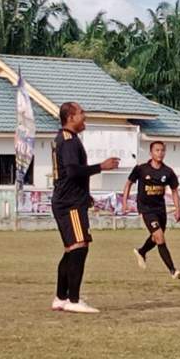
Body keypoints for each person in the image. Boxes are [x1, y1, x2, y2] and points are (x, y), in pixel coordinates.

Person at [50, 102, 120, 314]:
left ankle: (61, 297)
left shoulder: (63, 138)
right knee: (79, 247)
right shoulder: (69, 140)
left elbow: (66, 174)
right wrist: (101, 167)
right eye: (81, 113)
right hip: (69, 203)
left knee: (72, 249)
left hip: (69, 199)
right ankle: (73, 299)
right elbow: (71, 171)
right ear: (70, 117)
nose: (85, 116)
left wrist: (84, 194)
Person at [123, 141, 180, 278]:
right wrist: (124, 202)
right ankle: (173, 270)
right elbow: (128, 184)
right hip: (146, 209)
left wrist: (178, 209)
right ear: (151, 153)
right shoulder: (141, 169)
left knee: (156, 238)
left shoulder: (167, 172)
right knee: (160, 237)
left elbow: (174, 191)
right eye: (157, 150)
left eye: (162, 150)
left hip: (160, 209)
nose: (160, 153)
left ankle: (142, 251)